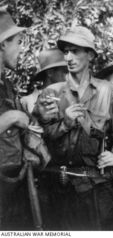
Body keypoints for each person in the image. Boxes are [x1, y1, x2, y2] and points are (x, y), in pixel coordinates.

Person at [35, 26, 113, 230]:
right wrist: (66, 123)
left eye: (75, 51)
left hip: (95, 185)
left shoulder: (106, 91)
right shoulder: (51, 93)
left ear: (90, 54)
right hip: (57, 187)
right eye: (66, 51)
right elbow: (39, 137)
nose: (69, 57)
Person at [0, 10, 35, 230]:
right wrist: (11, 117)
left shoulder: (7, 85)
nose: (20, 49)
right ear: (3, 44)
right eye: (18, 43)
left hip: (10, 182)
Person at [20, 48, 67, 114]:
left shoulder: (68, 97)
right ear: (50, 73)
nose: (68, 76)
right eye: (65, 71)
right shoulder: (27, 101)